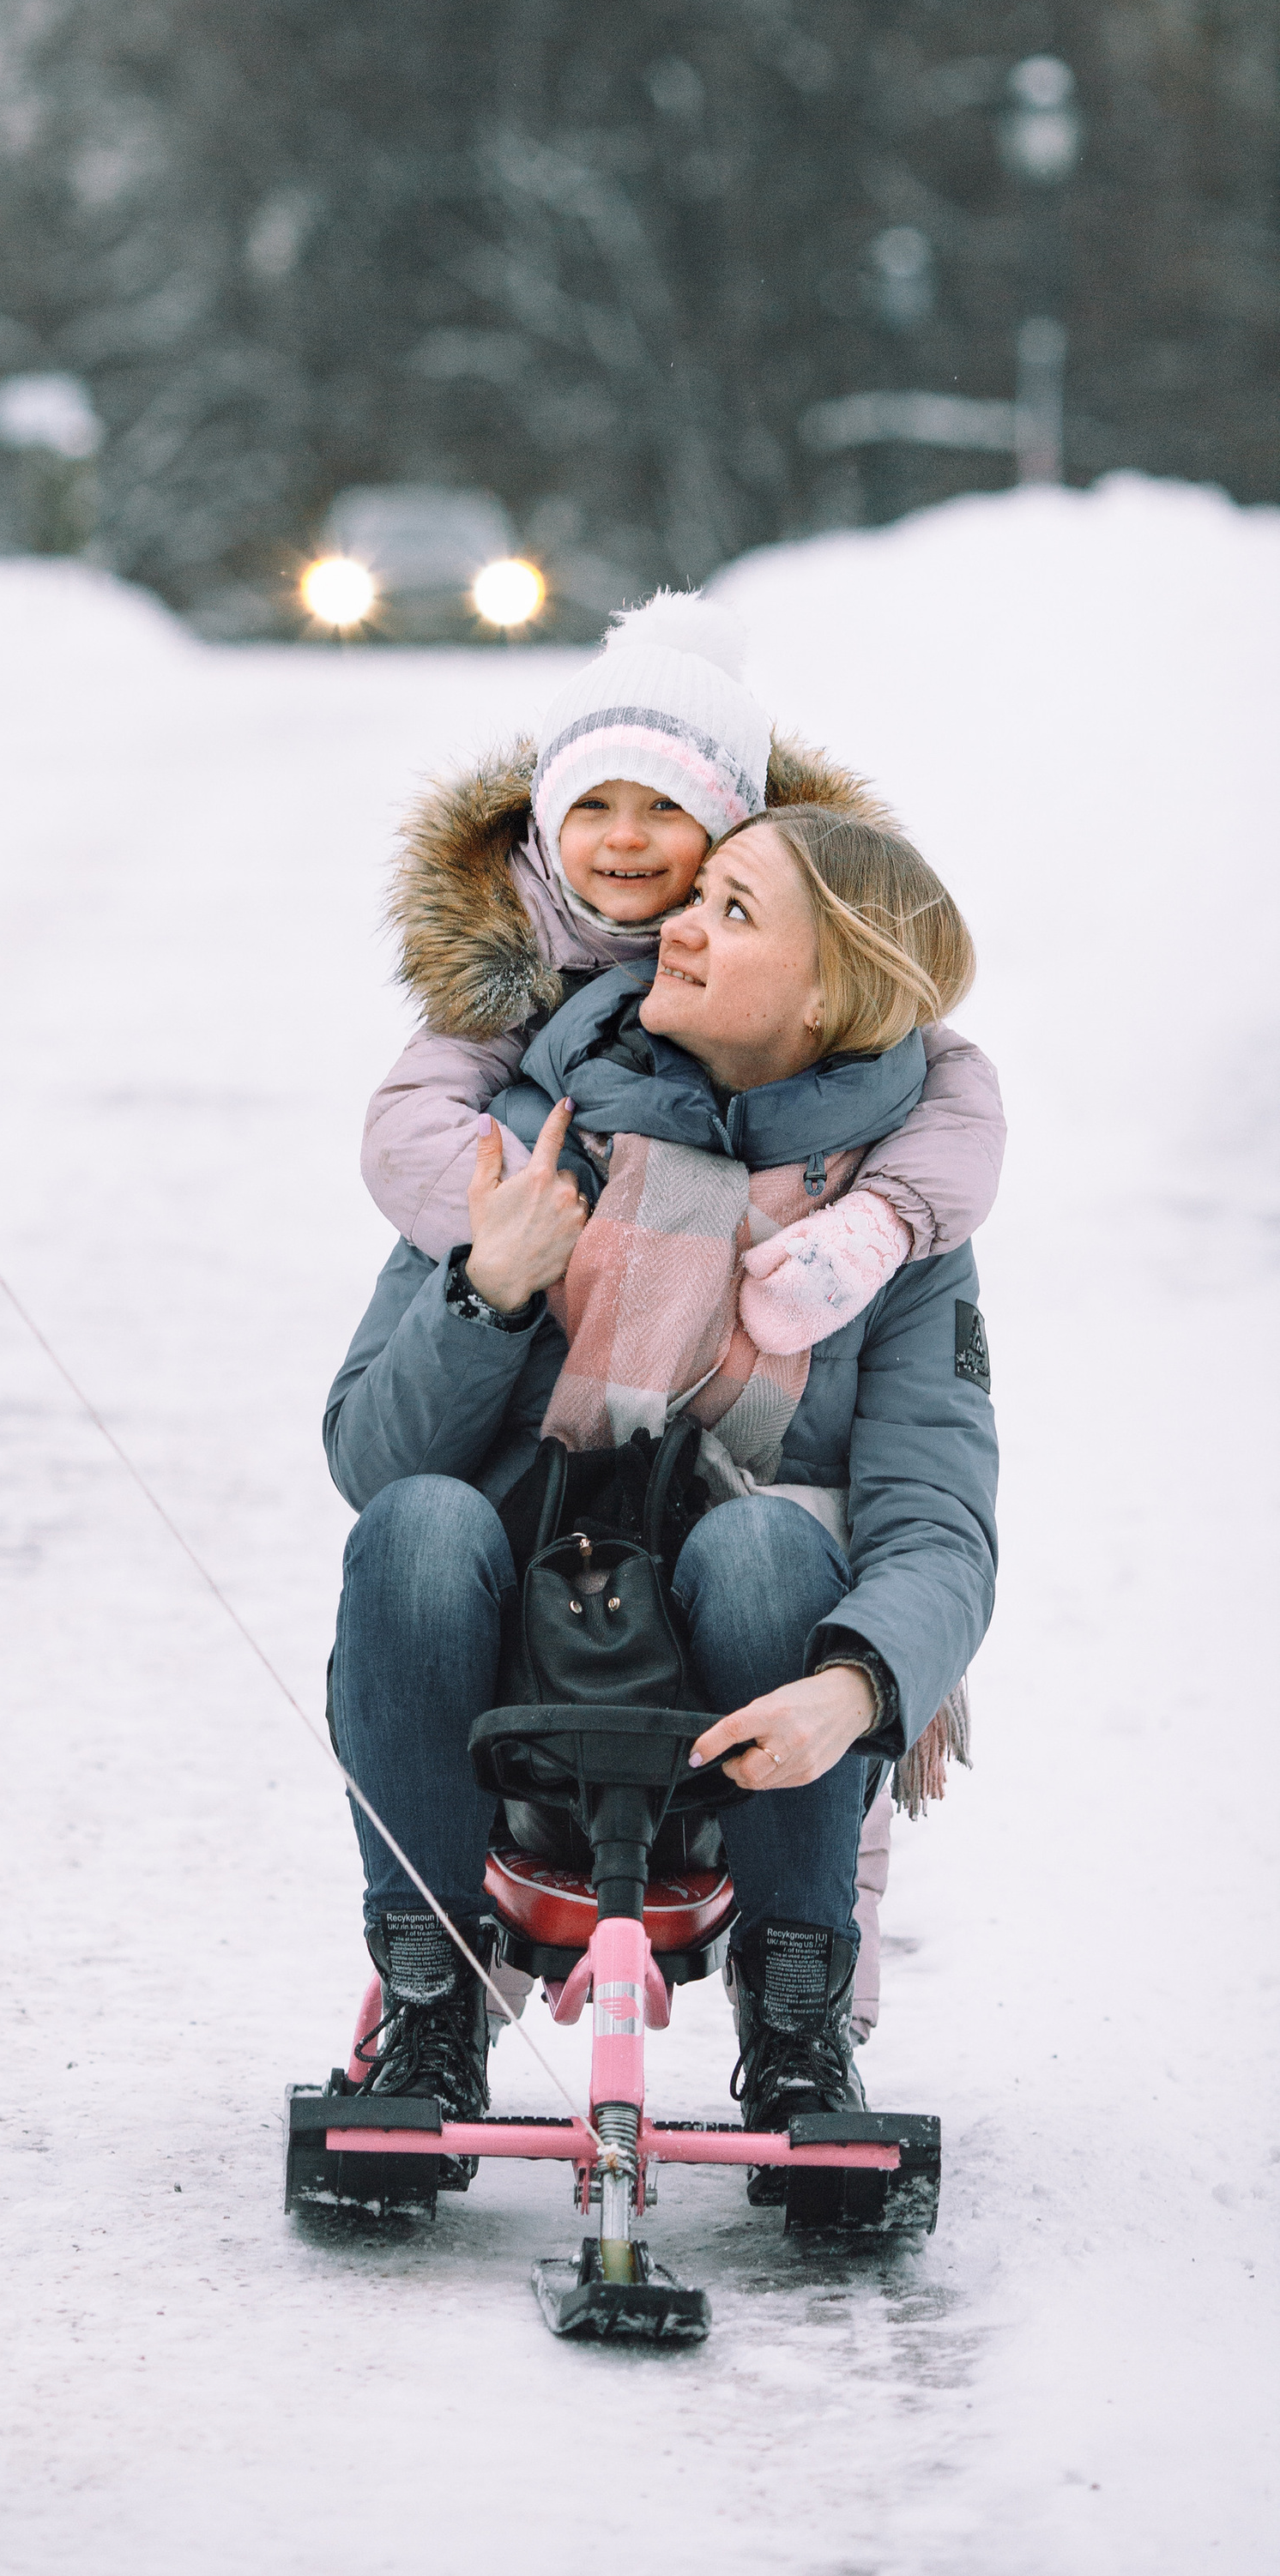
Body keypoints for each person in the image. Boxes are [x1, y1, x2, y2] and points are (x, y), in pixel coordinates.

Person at [359, 592, 1004, 2030]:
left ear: (833, 990)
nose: (671, 929)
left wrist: (865, 1684)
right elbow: (368, 1457)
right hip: (523, 1605)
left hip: (756, 1659)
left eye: (724, 900)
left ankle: (795, 2001)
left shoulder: (890, 1215)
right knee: (413, 1524)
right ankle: (428, 1983)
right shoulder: (528, 1129)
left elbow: (936, 1513)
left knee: (780, 1535)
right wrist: (494, 1287)